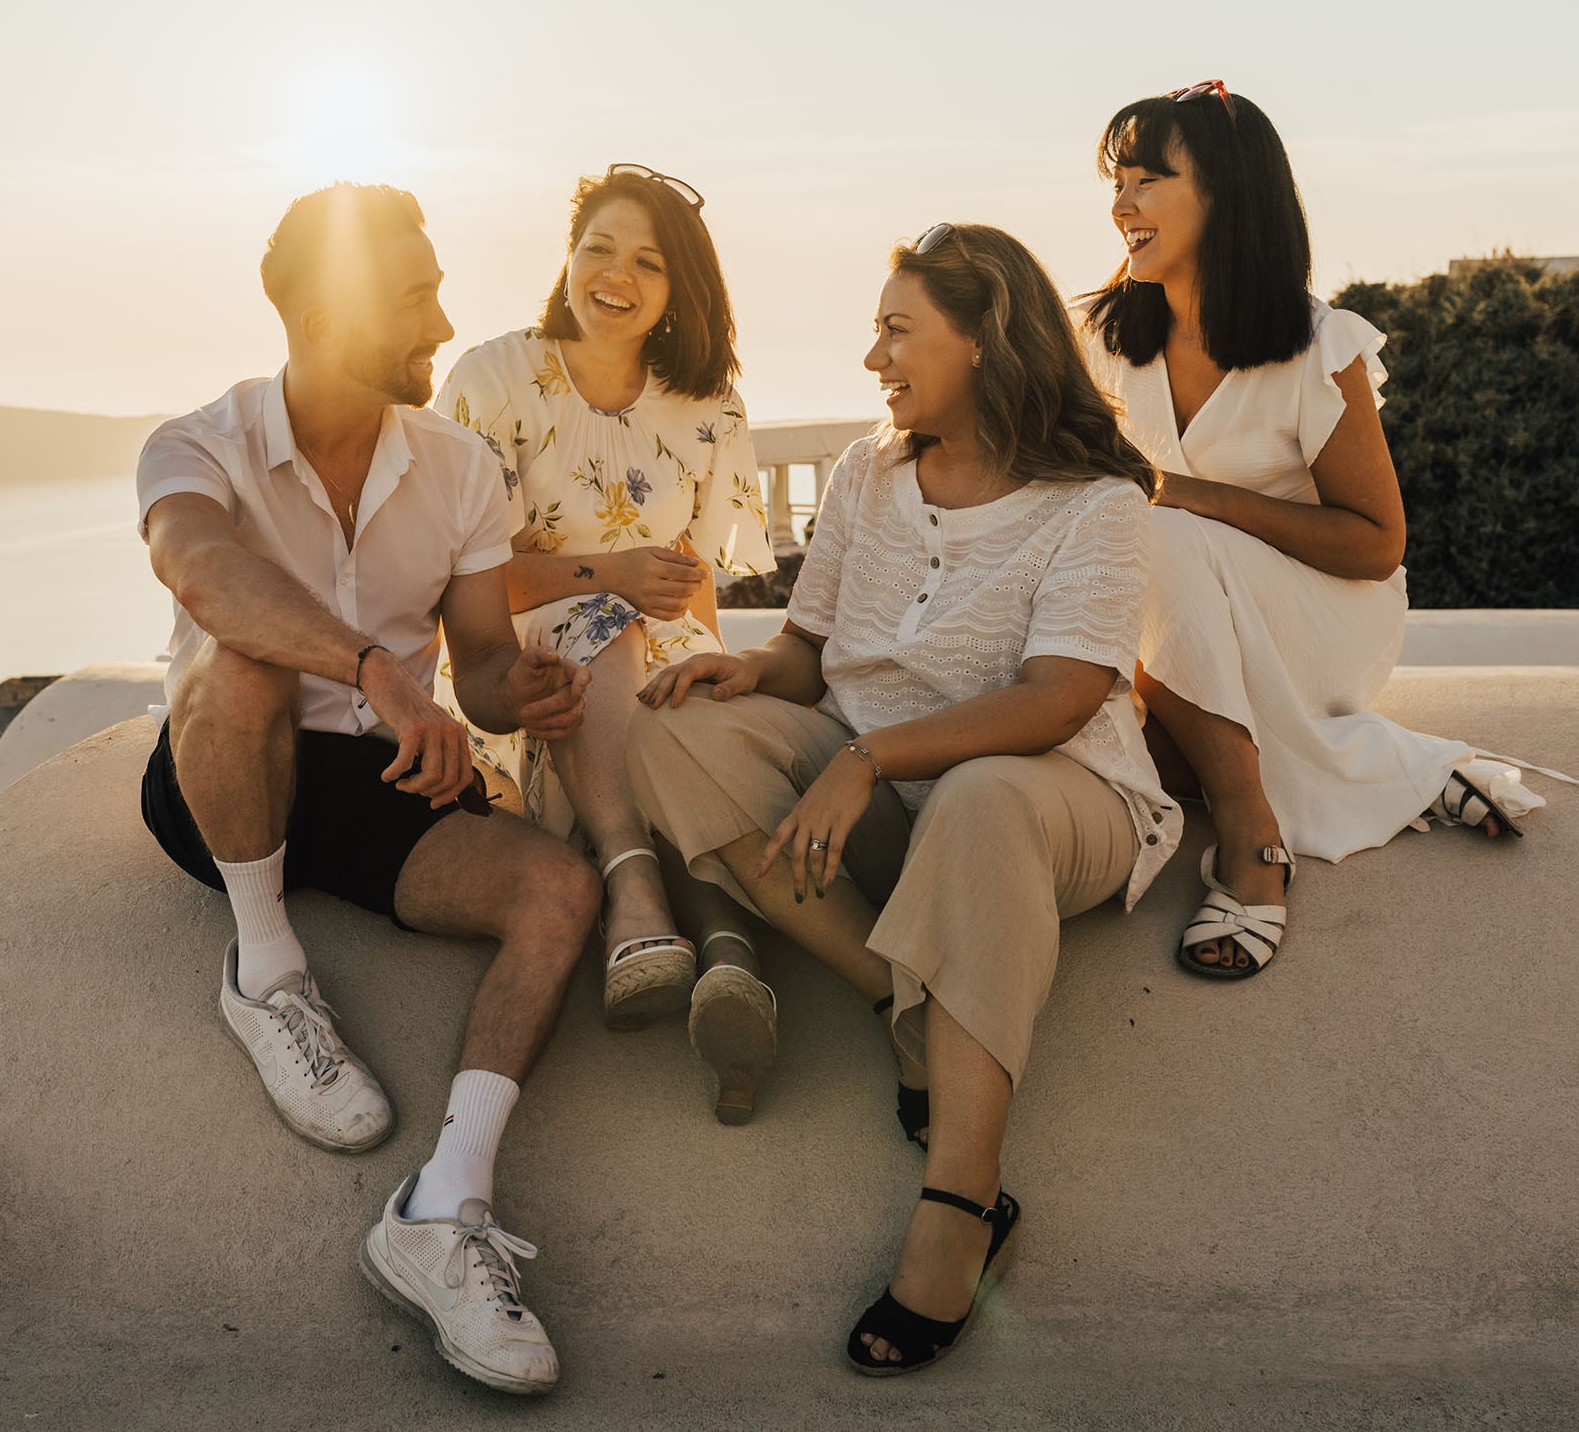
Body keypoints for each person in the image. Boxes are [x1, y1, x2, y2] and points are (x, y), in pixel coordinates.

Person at [627, 223, 1178, 1374]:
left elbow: (1060, 695)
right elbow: (809, 647)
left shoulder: (1098, 499)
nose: (873, 355)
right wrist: (745, 672)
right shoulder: (864, 472)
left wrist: (870, 760)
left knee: (978, 795)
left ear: (983, 337)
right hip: (869, 787)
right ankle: (908, 1003)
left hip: (1051, 798)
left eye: (896, 329)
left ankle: (963, 1198)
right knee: (672, 731)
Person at [135, 182, 603, 1396]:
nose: (442, 321)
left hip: (386, 781)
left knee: (557, 891)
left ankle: (441, 1213)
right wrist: (380, 673)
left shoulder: (458, 470)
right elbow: (205, 577)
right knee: (239, 661)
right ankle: (265, 966)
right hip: (228, 776)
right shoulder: (195, 444)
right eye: (414, 295)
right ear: (319, 309)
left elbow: (486, 669)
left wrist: (518, 691)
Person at [1081, 81, 1533, 983]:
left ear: (1226, 194)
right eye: (1116, 180)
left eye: (1147, 179)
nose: (1121, 204)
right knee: (1141, 752)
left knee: (1157, 533)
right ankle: (1392, 764)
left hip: (1327, 616)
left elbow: (1376, 543)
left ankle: (1252, 836)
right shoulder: (1101, 342)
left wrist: (1192, 496)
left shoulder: (1314, 345)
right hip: (1186, 625)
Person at [435, 163, 779, 1115]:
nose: (614, 274)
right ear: (568, 254)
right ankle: (652, 898)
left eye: (648, 261)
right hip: (527, 665)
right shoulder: (494, 379)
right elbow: (451, 580)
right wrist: (610, 575)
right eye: (597, 247)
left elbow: (696, 588)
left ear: (680, 291)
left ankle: (715, 968)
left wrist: (712, 669)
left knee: (694, 717)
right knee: (602, 632)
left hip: (650, 666)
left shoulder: (708, 407)